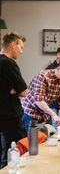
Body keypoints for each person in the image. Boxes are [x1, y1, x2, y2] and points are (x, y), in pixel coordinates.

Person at [0, 32, 28, 168]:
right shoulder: (9, 63)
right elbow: (24, 92)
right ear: (13, 45)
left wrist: (12, 89)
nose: (22, 51)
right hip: (10, 116)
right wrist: (15, 90)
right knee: (13, 153)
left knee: (4, 152)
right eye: (21, 47)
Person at [21, 60, 60, 132]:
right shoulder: (43, 76)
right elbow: (38, 100)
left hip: (44, 113)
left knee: (47, 138)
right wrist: (54, 115)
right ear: (58, 69)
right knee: (34, 139)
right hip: (31, 112)